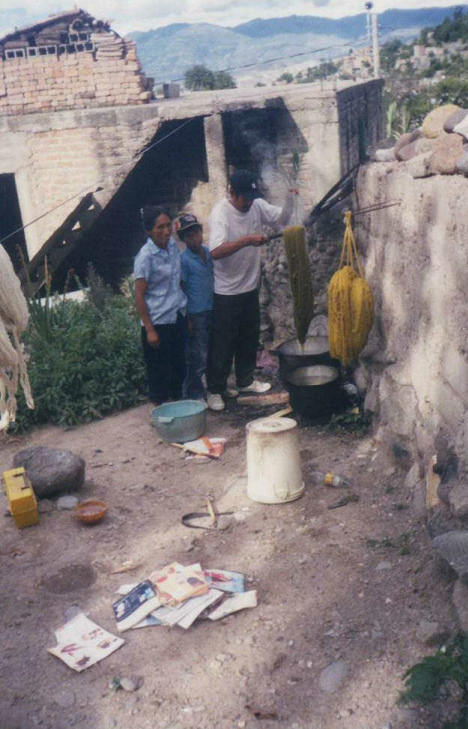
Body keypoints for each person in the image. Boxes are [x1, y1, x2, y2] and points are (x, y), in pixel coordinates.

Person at [206, 169, 296, 412]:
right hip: (226, 292)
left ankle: (245, 381)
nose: (248, 203)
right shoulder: (221, 214)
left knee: (248, 338)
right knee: (223, 343)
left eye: (251, 197)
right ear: (232, 193)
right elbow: (215, 252)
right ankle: (215, 390)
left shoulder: (256, 205)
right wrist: (248, 240)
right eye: (244, 198)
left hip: (250, 286)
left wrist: (290, 199)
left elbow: (282, 219)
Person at [134, 205, 187, 405]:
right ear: (149, 230)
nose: (166, 231)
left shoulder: (173, 246)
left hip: (177, 316)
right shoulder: (145, 257)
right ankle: (162, 414)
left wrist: (187, 314)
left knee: (179, 368)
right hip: (158, 323)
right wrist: (150, 330)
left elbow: (178, 281)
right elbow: (139, 296)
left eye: (168, 225)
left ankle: (181, 411)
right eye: (160, 227)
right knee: (159, 374)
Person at [177, 213, 213, 401]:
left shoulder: (208, 252)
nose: (194, 238)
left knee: (213, 351)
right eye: (188, 236)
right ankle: (195, 394)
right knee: (199, 356)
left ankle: (215, 389)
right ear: (183, 240)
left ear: (201, 232)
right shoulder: (184, 260)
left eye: (196, 232)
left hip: (212, 309)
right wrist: (188, 317)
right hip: (196, 314)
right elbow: (181, 288)